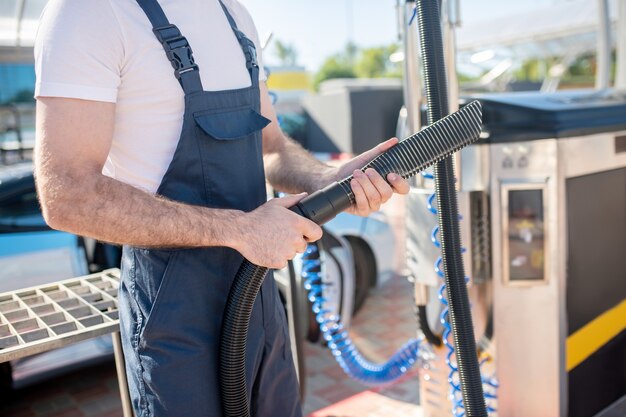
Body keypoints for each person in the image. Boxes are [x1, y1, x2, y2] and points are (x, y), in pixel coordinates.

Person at [34, 0, 409, 416]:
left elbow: (272, 150)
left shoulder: (235, 16)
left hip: (259, 298)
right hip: (173, 313)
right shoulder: (90, 11)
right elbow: (67, 194)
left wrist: (325, 180)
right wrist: (239, 230)